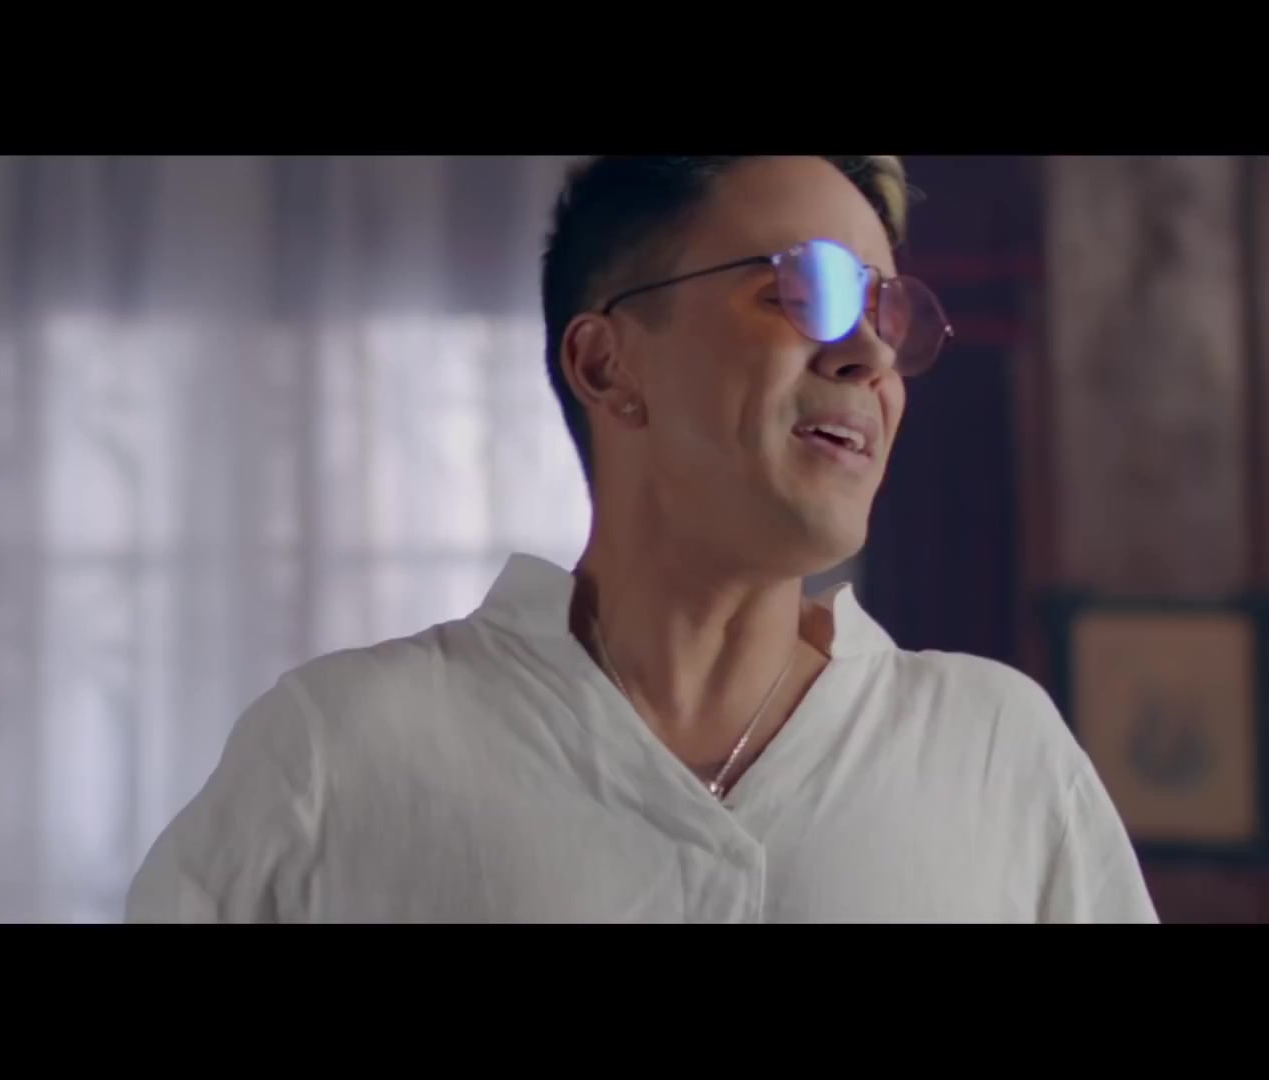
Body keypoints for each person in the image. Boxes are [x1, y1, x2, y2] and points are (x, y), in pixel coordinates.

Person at [126, 155, 1158, 923]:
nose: (869, 357)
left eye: (888, 313)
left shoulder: (996, 755)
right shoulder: (344, 755)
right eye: (808, 292)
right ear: (607, 365)